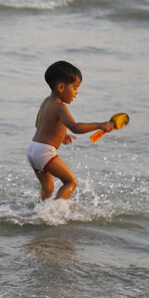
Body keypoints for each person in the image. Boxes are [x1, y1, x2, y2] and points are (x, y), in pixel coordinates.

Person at [27, 61, 114, 201]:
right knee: (71, 182)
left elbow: (39, 124)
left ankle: (39, 211)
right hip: (44, 152)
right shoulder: (60, 107)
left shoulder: (46, 101)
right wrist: (99, 125)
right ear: (61, 87)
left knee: (48, 189)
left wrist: (61, 135)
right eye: (75, 87)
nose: (76, 92)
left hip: (32, 150)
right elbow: (75, 127)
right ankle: (56, 212)